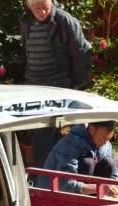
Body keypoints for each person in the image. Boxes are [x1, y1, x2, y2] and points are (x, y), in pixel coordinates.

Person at [21, 0, 93, 167]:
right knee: (41, 138)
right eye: (36, 8)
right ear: (28, 6)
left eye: (45, 7)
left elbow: (83, 54)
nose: (42, 12)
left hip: (60, 91)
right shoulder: (26, 21)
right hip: (35, 92)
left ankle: (66, 181)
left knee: (64, 137)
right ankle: (42, 181)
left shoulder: (65, 21)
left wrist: (73, 86)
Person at [38, 122, 118, 196]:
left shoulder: (105, 144)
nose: (105, 143)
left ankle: (93, 199)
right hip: (54, 191)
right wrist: (100, 188)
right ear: (92, 130)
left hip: (88, 188)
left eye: (108, 139)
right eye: (102, 138)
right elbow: (66, 184)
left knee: (108, 162)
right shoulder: (70, 143)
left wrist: (115, 185)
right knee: (87, 163)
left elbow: (114, 173)